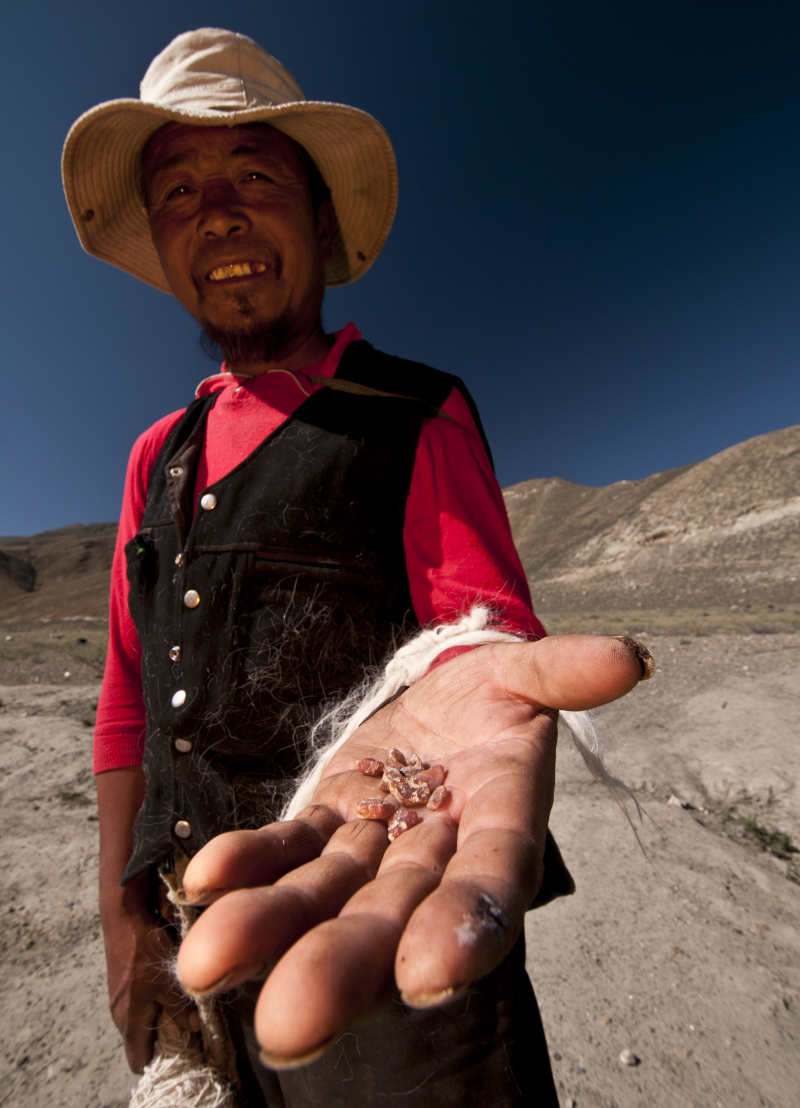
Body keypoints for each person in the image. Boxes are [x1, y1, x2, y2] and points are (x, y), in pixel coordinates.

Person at [63, 28, 652, 1107]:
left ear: (322, 218)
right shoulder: (159, 455)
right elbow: (124, 703)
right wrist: (124, 922)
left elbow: (479, 637)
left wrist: (473, 682)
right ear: (160, 237)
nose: (221, 209)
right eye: (182, 188)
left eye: (254, 174)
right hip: (203, 951)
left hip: (382, 952)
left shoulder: (410, 411)